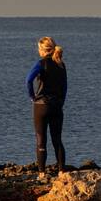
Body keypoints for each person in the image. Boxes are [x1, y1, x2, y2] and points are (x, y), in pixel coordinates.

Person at [26, 36, 67, 173]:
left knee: (41, 140)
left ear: (43, 50)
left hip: (41, 106)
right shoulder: (61, 64)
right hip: (57, 106)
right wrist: (61, 102)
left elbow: (28, 81)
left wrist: (32, 96)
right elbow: (64, 87)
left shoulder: (41, 63)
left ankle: (42, 174)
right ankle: (61, 172)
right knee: (57, 140)